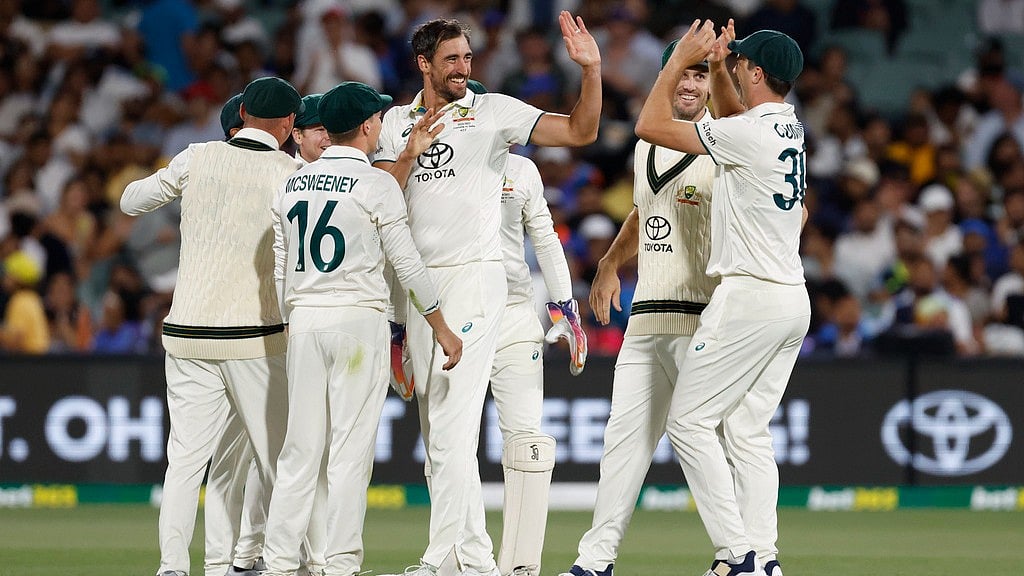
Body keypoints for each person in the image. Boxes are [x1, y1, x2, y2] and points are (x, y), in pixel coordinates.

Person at [373, 11, 601, 576]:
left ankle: (446, 558)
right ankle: (471, 559)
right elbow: (377, 199)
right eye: (451, 59)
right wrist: (410, 150)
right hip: (421, 290)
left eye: (468, 58)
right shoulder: (397, 122)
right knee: (439, 436)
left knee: (453, 428)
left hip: (477, 280)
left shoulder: (493, 112)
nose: (462, 69)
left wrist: (590, 71)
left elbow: (580, 132)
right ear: (423, 63)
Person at [261, 81, 463, 576]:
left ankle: (279, 562)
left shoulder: (293, 181)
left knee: (299, 449)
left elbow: (281, 259)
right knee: (350, 452)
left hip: (305, 319)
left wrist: (293, 317)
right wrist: (441, 326)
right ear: (370, 126)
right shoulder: (376, 184)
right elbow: (408, 265)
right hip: (358, 321)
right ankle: (341, 563)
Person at [635, 20, 811, 576]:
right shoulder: (788, 128)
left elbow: (649, 124)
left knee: (687, 424)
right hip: (792, 299)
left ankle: (740, 555)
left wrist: (678, 61)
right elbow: (738, 118)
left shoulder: (750, 133)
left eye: (741, 64)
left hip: (749, 297)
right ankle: (766, 556)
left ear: (756, 74)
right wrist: (715, 64)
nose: (733, 68)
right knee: (746, 429)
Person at [120, 76, 304, 576]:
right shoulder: (291, 172)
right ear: (289, 125)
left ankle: (172, 568)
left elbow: (130, 201)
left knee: (184, 462)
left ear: (241, 114)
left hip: (187, 334)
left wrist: (175, 184)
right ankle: (289, 562)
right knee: (279, 462)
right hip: (255, 339)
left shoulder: (195, 157)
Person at [560, 43, 717, 576]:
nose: (690, 85)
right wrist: (608, 264)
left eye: (701, 73)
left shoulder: (730, 140)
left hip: (705, 319)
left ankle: (745, 555)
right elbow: (643, 209)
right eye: (681, 73)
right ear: (665, 77)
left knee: (718, 444)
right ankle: (594, 562)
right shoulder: (650, 140)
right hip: (647, 318)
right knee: (622, 446)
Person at [292, 93, 330, 165]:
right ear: (298, 136)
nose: (329, 137)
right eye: (321, 130)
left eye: (333, 129)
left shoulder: (351, 172)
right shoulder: (284, 174)